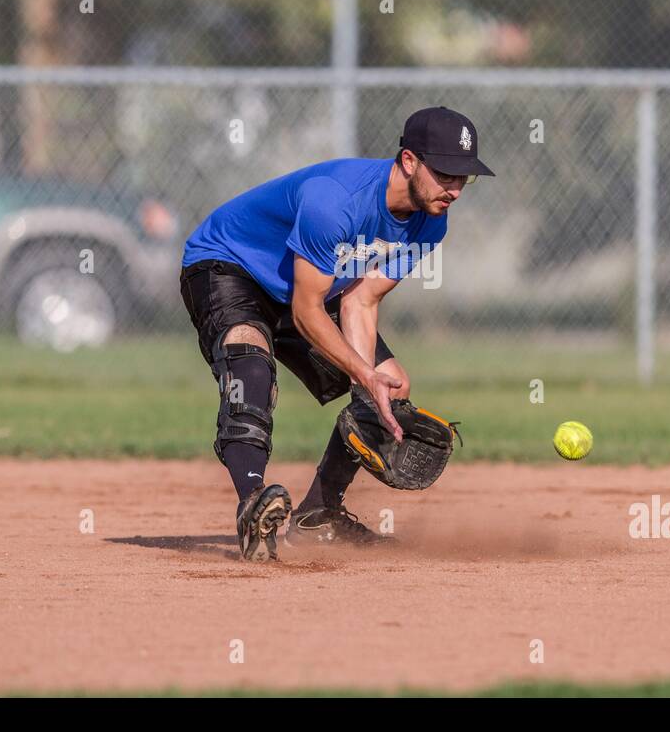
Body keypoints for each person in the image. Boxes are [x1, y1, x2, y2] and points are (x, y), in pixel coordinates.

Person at [178, 106, 493, 561]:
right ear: (409, 161)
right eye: (446, 173)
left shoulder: (432, 221)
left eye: (466, 177)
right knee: (248, 357)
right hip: (230, 264)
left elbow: (360, 300)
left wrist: (370, 386)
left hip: (312, 287)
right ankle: (251, 501)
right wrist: (362, 375)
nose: (456, 189)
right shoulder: (336, 201)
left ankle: (317, 515)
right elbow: (307, 311)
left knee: (391, 386)